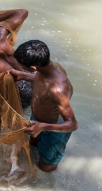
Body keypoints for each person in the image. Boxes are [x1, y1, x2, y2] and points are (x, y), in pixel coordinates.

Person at [7, 40, 78, 172]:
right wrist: (24, 75)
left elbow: (73, 124)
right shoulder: (50, 66)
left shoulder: (58, 88)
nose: (20, 67)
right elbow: (43, 81)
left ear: (34, 67)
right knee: (33, 146)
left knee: (46, 167)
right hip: (38, 120)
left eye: (22, 66)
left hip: (54, 130)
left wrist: (43, 127)